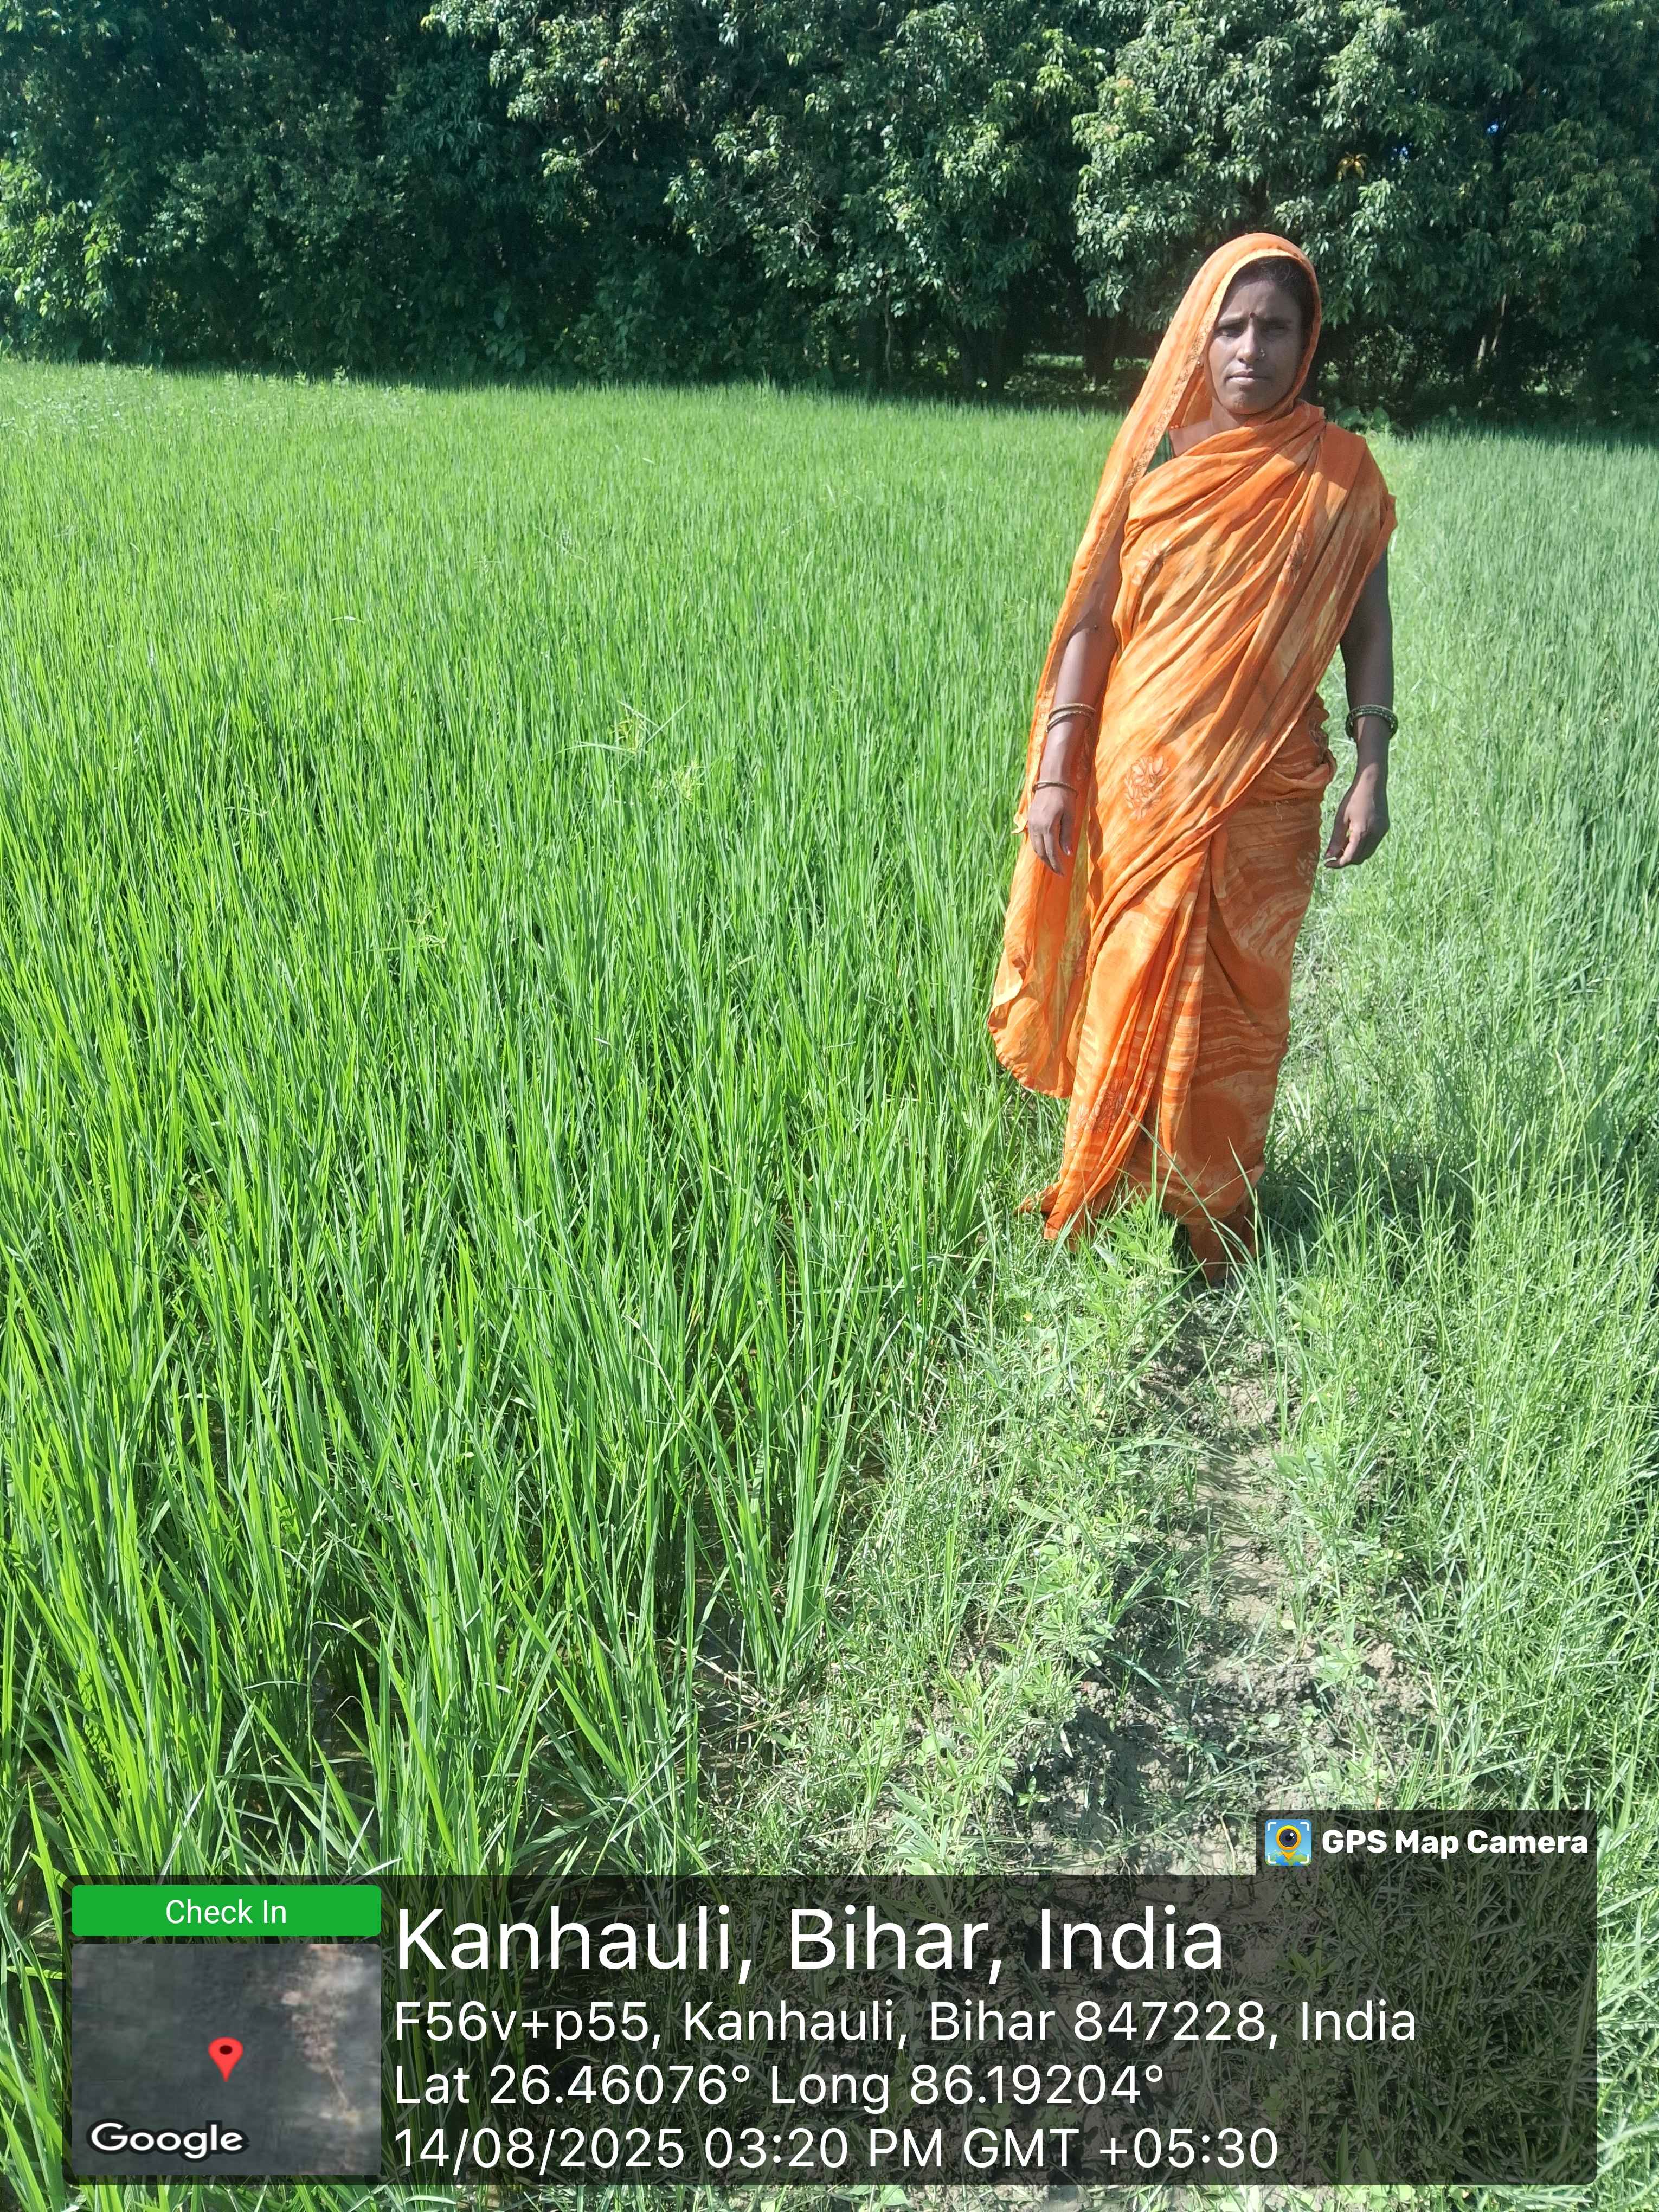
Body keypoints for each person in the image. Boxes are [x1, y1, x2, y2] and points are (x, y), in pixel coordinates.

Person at [988, 232, 1396, 1282]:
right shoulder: (1158, 469)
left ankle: (1214, 1213)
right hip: (1145, 779)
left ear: (1307, 343)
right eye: (1232, 327)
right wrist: (1056, 770)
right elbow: (1092, 623)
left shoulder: (1341, 477)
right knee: (1129, 980)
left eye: (1275, 328)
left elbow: (1366, 624)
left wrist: (1373, 763)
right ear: (1199, 340)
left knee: (1242, 1007)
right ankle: (1108, 1189)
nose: (1251, 349)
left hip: (1266, 792)